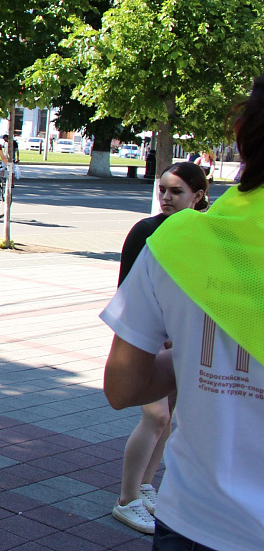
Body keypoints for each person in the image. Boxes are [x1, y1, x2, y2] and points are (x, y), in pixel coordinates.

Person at [102, 74, 264, 551]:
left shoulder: (176, 242)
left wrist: (197, 355)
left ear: (240, 134)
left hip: (198, 518)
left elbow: (123, 387)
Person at [109, 162, 209, 534]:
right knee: (156, 417)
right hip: (146, 339)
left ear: (198, 197)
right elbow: (128, 294)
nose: (166, 197)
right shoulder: (147, 230)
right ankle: (127, 499)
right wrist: (154, 334)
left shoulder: (203, 231)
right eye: (163, 189)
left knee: (170, 418)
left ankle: (146, 485)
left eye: (176, 192)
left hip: (183, 338)